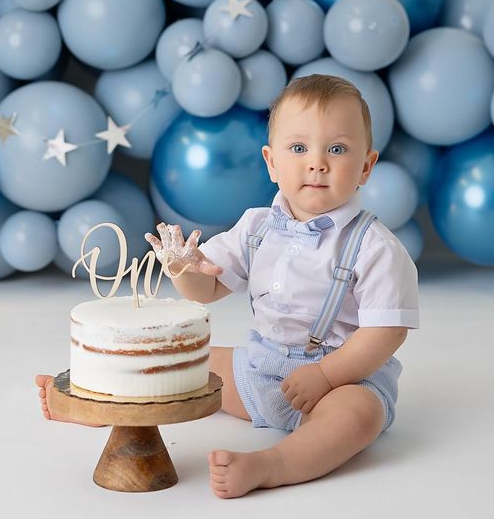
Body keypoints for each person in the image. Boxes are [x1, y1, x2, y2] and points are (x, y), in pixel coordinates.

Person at [36, 73, 419, 498]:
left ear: (366, 166)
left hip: (346, 378)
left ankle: (273, 464)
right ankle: (98, 407)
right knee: (180, 363)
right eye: (298, 148)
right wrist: (184, 270)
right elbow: (209, 291)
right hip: (262, 368)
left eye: (337, 149)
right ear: (272, 163)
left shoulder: (375, 246)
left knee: (356, 417)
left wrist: (328, 376)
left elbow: (386, 333)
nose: (317, 162)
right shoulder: (256, 227)